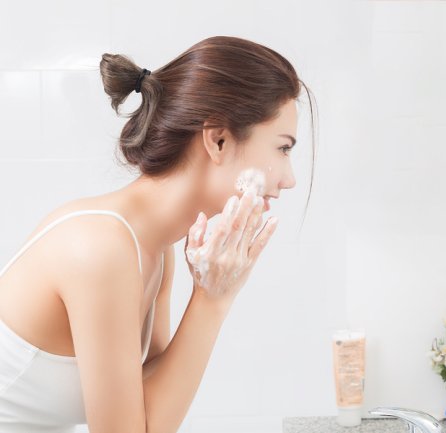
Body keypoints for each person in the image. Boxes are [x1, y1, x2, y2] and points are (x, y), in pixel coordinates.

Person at [0, 35, 315, 433]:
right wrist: (212, 300)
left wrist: (214, 294)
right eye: (283, 148)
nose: (289, 179)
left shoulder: (153, 246)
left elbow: (152, 411)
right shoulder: (101, 247)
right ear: (217, 140)